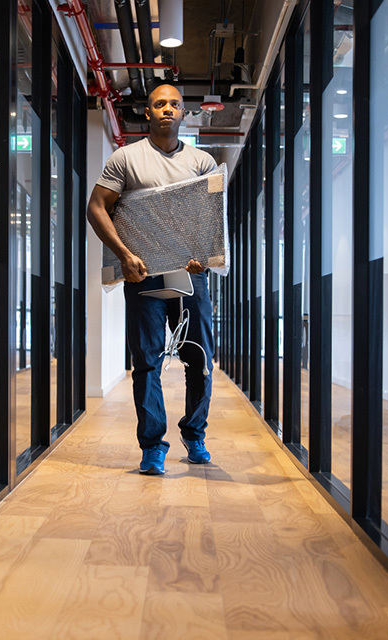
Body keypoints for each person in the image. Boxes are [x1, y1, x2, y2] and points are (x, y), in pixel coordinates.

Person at [86, 83, 219, 475]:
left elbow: (213, 217)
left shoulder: (202, 162)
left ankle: (195, 434)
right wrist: (124, 255)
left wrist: (205, 255)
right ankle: (152, 446)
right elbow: (97, 207)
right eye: (160, 104)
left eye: (175, 104)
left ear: (184, 113)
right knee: (147, 362)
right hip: (142, 275)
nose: (167, 109)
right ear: (148, 112)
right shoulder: (126, 158)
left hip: (191, 276)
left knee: (200, 359)